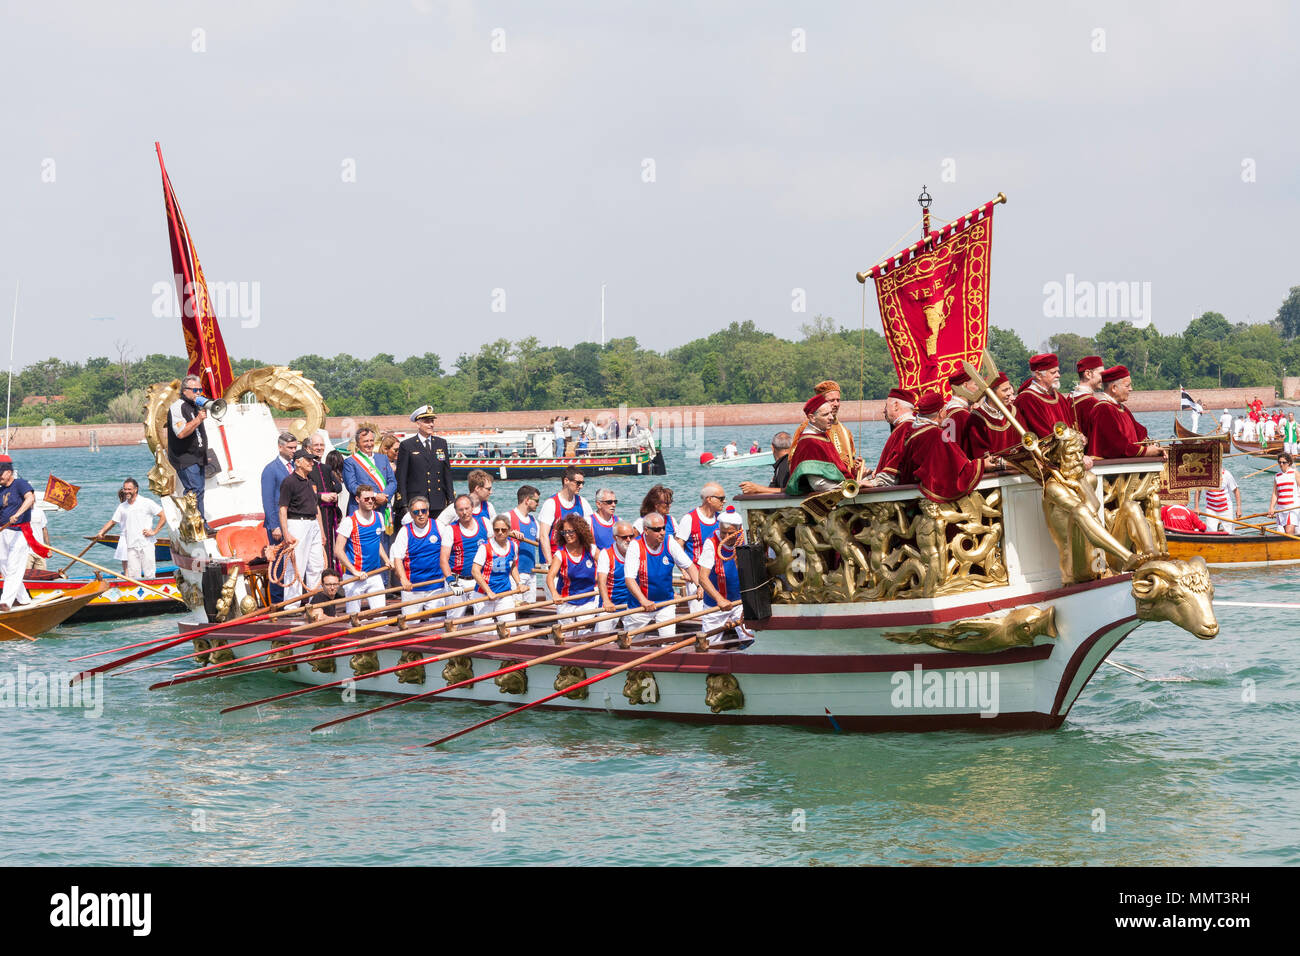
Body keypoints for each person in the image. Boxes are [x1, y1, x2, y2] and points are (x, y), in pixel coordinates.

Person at [896, 392, 985, 501]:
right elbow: (953, 470)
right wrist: (982, 464)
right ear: (940, 413)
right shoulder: (935, 434)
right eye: (944, 409)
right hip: (925, 499)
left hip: (909, 494)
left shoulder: (912, 431)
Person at [623, 511, 697, 636]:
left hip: (665, 603)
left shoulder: (669, 542)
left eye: (663, 528)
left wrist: (699, 585)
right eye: (657, 529)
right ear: (646, 530)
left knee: (668, 642)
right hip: (639, 606)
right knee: (632, 643)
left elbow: (689, 566)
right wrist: (643, 601)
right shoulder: (635, 546)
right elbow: (629, 579)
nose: (662, 532)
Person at [695, 508, 753, 646]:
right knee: (708, 645)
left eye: (730, 533)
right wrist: (719, 599)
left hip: (740, 603)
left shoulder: (745, 538)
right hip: (715, 605)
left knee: (752, 639)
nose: (726, 537)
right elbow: (702, 577)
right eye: (723, 532)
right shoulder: (711, 542)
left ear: (739, 530)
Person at [278, 448, 326, 607]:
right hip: (297, 523)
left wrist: (322, 532)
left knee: (317, 564)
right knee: (296, 566)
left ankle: (316, 602)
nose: (312, 462)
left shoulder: (310, 482)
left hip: (312, 523)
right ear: (297, 462)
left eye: (312, 460)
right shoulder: (289, 482)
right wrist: (286, 533)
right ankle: (292, 605)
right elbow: (283, 508)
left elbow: (316, 507)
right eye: (308, 460)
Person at [334, 483, 390, 615]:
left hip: (374, 574)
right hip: (354, 577)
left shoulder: (379, 517)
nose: (370, 501)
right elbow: (338, 550)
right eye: (366, 499)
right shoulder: (349, 521)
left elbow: (378, 543)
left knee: (380, 616)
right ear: (357, 500)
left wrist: (386, 560)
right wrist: (354, 571)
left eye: (372, 498)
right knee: (353, 617)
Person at [785, 393, 857, 493]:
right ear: (812, 418)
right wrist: (848, 487)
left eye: (831, 413)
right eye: (825, 415)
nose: (831, 417)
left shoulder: (821, 436)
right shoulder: (809, 442)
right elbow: (818, 484)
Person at [1087, 365, 1162, 459]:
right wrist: (1146, 452)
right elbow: (1116, 446)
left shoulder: (1122, 408)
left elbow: (1140, 432)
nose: (1131, 389)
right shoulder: (1103, 409)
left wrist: (1154, 447)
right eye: (1127, 386)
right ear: (1114, 388)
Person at [96, 478, 165, 578]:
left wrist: (154, 531)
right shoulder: (122, 506)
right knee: (133, 576)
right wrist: (101, 532)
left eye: (129, 489)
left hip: (146, 544)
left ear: (136, 489)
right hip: (131, 546)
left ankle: (151, 592)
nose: (126, 492)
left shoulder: (146, 502)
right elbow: (112, 521)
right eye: (125, 489)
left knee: (149, 574)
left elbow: (163, 515)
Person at [389, 495, 446, 615]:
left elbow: (448, 553)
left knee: (438, 624)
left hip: (437, 585)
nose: (420, 514)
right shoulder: (405, 531)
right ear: (411, 514)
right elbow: (398, 558)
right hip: (412, 587)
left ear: (428, 512)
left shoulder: (439, 527)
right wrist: (403, 580)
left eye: (423, 511)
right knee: (410, 624)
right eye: (416, 512)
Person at [395, 404, 455, 518]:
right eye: (427, 421)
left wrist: (451, 499)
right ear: (418, 423)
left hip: (438, 501)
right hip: (417, 502)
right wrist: (403, 504)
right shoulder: (407, 445)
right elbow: (401, 477)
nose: (431, 424)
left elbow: (447, 473)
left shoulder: (441, 443)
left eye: (432, 421)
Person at [166, 374, 210, 525]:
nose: (199, 393)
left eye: (200, 389)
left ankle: (201, 522)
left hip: (198, 456)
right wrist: (198, 419)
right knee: (193, 491)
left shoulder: (195, 406)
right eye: (195, 390)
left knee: (200, 491)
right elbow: (181, 432)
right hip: (184, 457)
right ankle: (195, 524)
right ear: (185, 390)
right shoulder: (177, 407)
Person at [546, 513, 600, 630]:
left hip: (588, 599)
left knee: (584, 635)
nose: (567, 535)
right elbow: (550, 577)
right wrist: (555, 594)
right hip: (566, 600)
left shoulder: (591, 549)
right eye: (564, 532)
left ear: (579, 532)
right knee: (566, 634)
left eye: (571, 532)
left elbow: (606, 567)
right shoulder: (561, 554)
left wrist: (601, 581)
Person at [440, 494, 490, 620]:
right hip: (457, 581)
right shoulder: (450, 530)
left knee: (483, 619)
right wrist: (451, 581)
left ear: (472, 508)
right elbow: (443, 560)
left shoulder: (485, 523)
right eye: (461, 510)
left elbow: (497, 544)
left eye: (467, 508)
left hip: (479, 579)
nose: (464, 512)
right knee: (454, 621)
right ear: (456, 512)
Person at [676, 481, 724, 611]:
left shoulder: (721, 520)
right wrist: (685, 572)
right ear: (709, 499)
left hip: (717, 574)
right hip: (696, 576)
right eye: (721, 498)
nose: (724, 501)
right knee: (700, 616)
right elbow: (677, 547)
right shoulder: (690, 519)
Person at [790, 380, 858, 465]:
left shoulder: (845, 431)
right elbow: (794, 460)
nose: (836, 404)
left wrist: (856, 466)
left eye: (838, 400)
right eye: (832, 400)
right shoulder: (806, 428)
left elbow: (851, 460)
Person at [0, 460, 38, 610]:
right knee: (3, 565)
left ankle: (5, 601)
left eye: (0, 474)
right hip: (3, 531)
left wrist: (18, 514)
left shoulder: (20, 484)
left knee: (14, 566)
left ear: (9, 472)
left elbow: (30, 498)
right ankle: (23, 599)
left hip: (19, 532)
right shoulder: (1, 490)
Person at [342, 426, 397, 527]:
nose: (369, 444)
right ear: (358, 444)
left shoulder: (383, 458)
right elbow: (352, 486)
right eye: (365, 441)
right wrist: (375, 496)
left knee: (384, 541)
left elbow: (392, 482)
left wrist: (384, 497)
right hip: (361, 509)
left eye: (371, 440)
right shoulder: (350, 462)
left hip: (383, 508)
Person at [1014, 353, 1077, 438]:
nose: (1058, 375)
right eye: (1053, 372)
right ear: (1038, 375)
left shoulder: (1059, 397)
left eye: (1058, 371)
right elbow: (1044, 435)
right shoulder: (1026, 399)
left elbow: (1070, 426)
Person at [472, 515, 520, 623]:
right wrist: (488, 591)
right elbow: (475, 571)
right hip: (483, 594)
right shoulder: (485, 547)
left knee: (509, 628)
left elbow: (513, 567)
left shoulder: (513, 546)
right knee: (484, 632)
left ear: (509, 530)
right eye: (496, 530)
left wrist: (519, 583)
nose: (500, 532)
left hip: (504, 593)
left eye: (503, 530)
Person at [537, 466, 591, 563]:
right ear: (566, 480)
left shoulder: (583, 503)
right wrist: (550, 563)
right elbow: (543, 536)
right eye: (578, 483)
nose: (581, 486)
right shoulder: (551, 503)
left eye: (583, 483)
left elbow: (590, 533)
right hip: (555, 558)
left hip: (576, 558)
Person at [307, 433, 343, 574]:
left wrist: (332, 493)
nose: (320, 448)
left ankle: (330, 576)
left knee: (329, 546)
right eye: (316, 445)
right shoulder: (308, 468)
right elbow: (306, 492)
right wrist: (322, 496)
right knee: (319, 547)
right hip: (315, 512)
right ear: (309, 448)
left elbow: (338, 486)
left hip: (328, 512)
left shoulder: (326, 468)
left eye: (322, 445)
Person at [964, 373, 1021, 461]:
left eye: (1010, 388)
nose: (1010, 393)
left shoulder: (1014, 411)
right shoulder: (977, 418)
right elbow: (981, 455)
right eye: (1005, 390)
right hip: (995, 473)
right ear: (991, 393)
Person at [595, 520, 638, 633]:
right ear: (615, 538)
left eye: (631, 536)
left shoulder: (637, 551)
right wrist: (606, 602)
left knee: (635, 637)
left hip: (631, 603)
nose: (629, 540)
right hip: (611, 603)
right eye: (624, 537)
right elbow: (601, 581)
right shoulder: (606, 554)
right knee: (601, 637)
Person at [871, 388, 917, 486]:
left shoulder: (904, 428)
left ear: (896, 406)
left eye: (886, 406)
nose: (884, 411)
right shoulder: (912, 426)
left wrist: (877, 481)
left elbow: (896, 462)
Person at [507, 485, 542, 602]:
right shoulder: (508, 517)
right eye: (536, 501)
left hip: (531, 573)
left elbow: (544, 541)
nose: (538, 504)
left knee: (530, 610)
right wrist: (509, 532)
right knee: (515, 608)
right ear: (527, 500)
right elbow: (493, 536)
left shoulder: (534, 521)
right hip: (514, 574)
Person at [1196, 467, 1241, 533]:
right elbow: (1198, 491)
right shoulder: (1203, 475)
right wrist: (1196, 507)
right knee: (1211, 532)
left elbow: (1236, 490)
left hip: (1226, 508)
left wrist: (1238, 508)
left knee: (1229, 532)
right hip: (1210, 508)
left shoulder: (1226, 474)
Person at [1070, 355, 1105, 440]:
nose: (1104, 378)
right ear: (1088, 374)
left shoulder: (1069, 398)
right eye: (1101, 374)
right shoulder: (1092, 403)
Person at [1269, 454, 1300, 532]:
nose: (1281, 464)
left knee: (1289, 532)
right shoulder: (1277, 476)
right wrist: (1271, 508)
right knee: (1281, 533)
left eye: (1284, 462)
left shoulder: (1295, 473)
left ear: (1289, 463)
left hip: (1292, 508)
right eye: (1279, 462)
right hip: (1280, 509)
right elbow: (1275, 494)